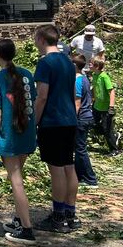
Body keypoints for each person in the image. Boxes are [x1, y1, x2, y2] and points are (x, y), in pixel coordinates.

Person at [0, 39, 38, 244]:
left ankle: (27, 229)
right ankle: (19, 219)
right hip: (27, 133)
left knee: (16, 181)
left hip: (9, 136)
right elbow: (33, 101)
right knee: (17, 177)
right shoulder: (27, 74)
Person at [33, 24, 79, 233]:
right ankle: (71, 214)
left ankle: (58, 217)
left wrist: (34, 121)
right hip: (70, 120)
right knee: (69, 166)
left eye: (36, 38)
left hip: (53, 121)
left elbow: (42, 96)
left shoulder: (45, 63)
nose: (35, 42)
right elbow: (72, 92)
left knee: (57, 169)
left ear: (42, 39)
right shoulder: (68, 62)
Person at [72, 54, 98, 187]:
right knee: (78, 148)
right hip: (87, 115)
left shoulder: (77, 80)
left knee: (80, 149)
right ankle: (79, 176)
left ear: (74, 65)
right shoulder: (85, 78)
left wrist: (72, 119)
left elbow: (77, 103)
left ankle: (91, 179)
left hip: (81, 117)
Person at [91, 57, 118, 152]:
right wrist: (92, 99)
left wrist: (111, 107)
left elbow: (112, 92)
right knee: (93, 124)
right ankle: (112, 135)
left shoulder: (104, 77)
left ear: (97, 66)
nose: (89, 65)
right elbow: (95, 88)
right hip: (96, 105)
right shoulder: (94, 75)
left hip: (105, 108)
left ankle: (114, 150)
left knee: (107, 129)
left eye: (91, 64)